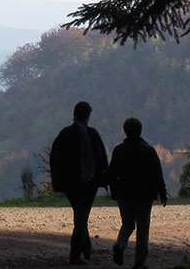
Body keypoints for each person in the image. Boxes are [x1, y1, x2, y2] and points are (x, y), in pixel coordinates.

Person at [49, 101, 109, 265]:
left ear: (74, 114)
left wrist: (58, 181)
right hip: (89, 183)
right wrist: (106, 179)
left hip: (70, 183)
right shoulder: (93, 134)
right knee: (82, 217)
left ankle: (86, 249)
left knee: (80, 215)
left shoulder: (65, 134)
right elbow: (102, 158)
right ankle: (76, 255)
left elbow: (55, 158)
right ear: (88, 116)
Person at [107, 117, 168, 269]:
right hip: (144, 194)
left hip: (124, 194)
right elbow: (157, 174)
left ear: (125, 131)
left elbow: (112, 174)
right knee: (143, 228)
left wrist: (114, 191)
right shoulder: (148, 150)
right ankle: (139, 263)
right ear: (140, 131)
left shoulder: (119, 150)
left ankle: (120, 244)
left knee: (127, 224)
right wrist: (163, 193)